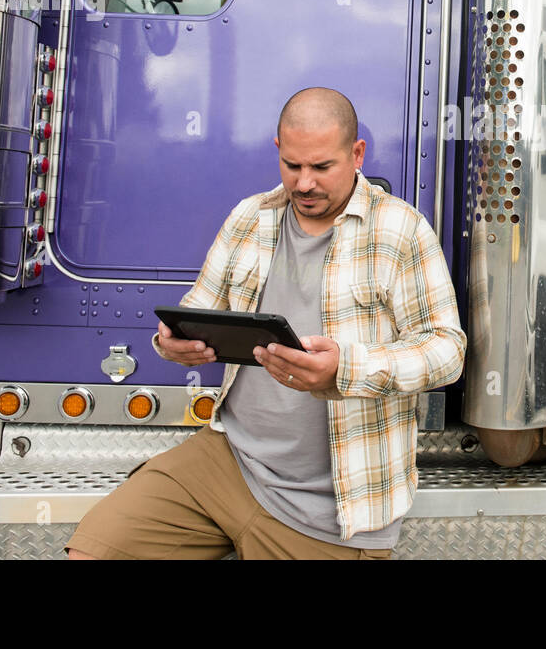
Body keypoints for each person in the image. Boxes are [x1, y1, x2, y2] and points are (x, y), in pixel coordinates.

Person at [66, 87, 465, 559]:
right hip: (228, 460)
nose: (304, 184)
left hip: (333, 509)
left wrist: (346, 368)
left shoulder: (402, 229)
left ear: (357, 154)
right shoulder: (249, 217)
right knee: (94, 550)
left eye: (321, 167)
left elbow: (446, 350)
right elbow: (200, 308)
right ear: (278, 150)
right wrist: (172, 341)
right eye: (292, 165)